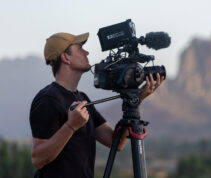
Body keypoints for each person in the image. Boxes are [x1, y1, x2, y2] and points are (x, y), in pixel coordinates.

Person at [29, 32, 164, 178]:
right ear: (66, 57)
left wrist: (137, 101)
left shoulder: (82, 98)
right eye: (80, 48)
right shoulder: (48, 99)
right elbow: (38, 159)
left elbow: (116, 143)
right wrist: (70, 126)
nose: (86, 52)